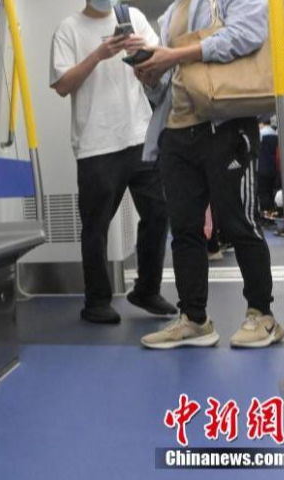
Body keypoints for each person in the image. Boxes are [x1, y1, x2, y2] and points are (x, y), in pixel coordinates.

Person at [136, 0, 283, 349]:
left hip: (225, 125)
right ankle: (194, 319)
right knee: (185, 228)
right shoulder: (171, 13)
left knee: (238, 221)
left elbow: (247, 36)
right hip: (176, 131)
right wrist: (150, 76)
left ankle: (262, 314)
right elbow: (170, 85)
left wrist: (174, 55)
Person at [50, 0, 177, 324]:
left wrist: (143, 51)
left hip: (139, 134)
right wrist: (98, 55)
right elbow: (63, 85)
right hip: (96, 143)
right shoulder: (68, 29)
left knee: (158, 212)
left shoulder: (131, 17)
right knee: (96, 227)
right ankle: (96, 301)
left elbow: (159, 69)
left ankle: (146, 289)